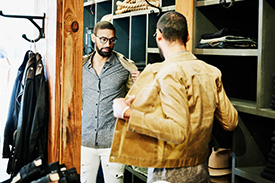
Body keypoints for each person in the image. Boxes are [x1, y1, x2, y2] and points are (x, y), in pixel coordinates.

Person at [110, 11, 238, 183]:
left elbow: (177, 131)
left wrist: (126, 112)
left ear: (160, 36)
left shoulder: (166, 73)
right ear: (188, 36)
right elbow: (230, 122)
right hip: (201, 170)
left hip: (169, 174)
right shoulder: (211, 72)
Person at [81, 20, 140, 183]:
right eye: (103, 39)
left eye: (112, 40)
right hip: (85, 141)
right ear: (93, 38)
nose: (108, 44)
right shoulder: (81, 67)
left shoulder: (125, 67)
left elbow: (138, 102)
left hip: (114, 143)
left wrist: (140, 83)